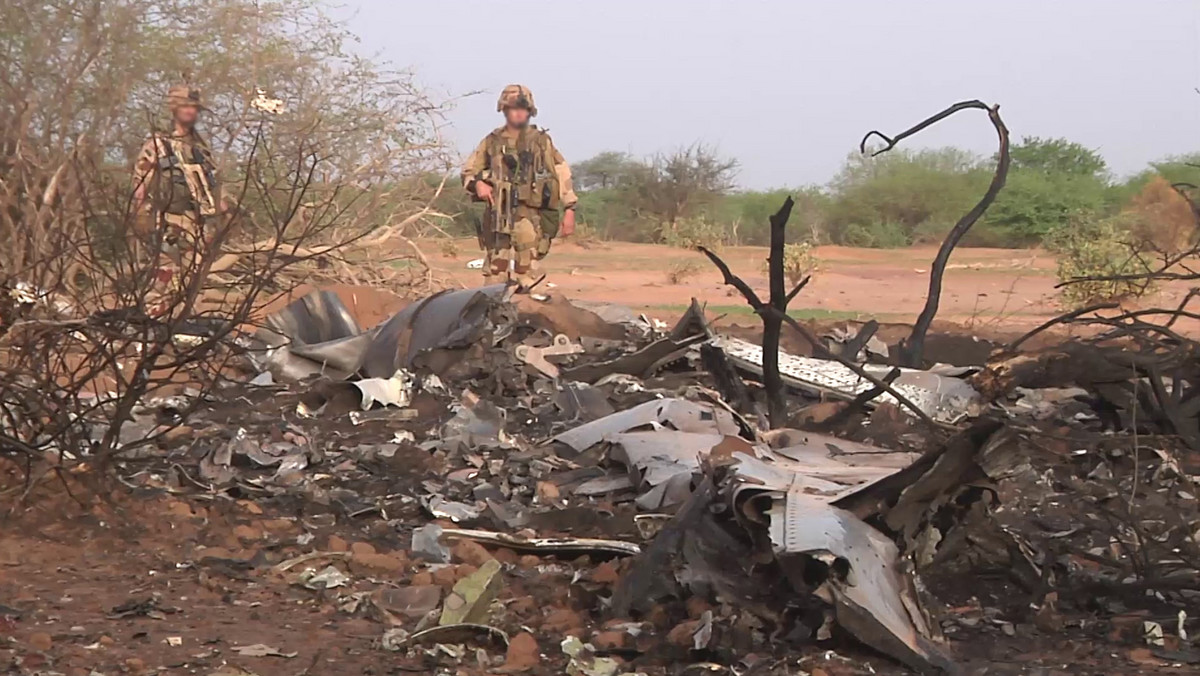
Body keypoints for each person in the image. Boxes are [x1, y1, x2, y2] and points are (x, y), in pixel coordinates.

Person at [461, 84, 577, 289]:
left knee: (528, 273)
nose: (518, 113)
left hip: (530, 216)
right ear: (504, 110)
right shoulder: (491, 141)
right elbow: (468, 172)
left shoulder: (541, 141)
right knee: (495, 273)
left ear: (530, 111)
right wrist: (478, 184)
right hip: (498, 214)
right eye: (513, 108)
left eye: (522, 108)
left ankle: (529, 316)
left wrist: (570, 208)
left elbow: (561, 172)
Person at [132, 84, 220, 294]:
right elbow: (140, 184)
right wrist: (141, 218)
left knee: (192, 283)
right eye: (185, 106)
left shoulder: (200, 148)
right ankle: (147, 321)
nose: (190, 111)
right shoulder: (158, 144)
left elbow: (213, 185)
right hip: (168, 222)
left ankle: (182, 323)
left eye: (194, 107)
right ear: (175, 109)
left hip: (198, 225)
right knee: (164, 278)